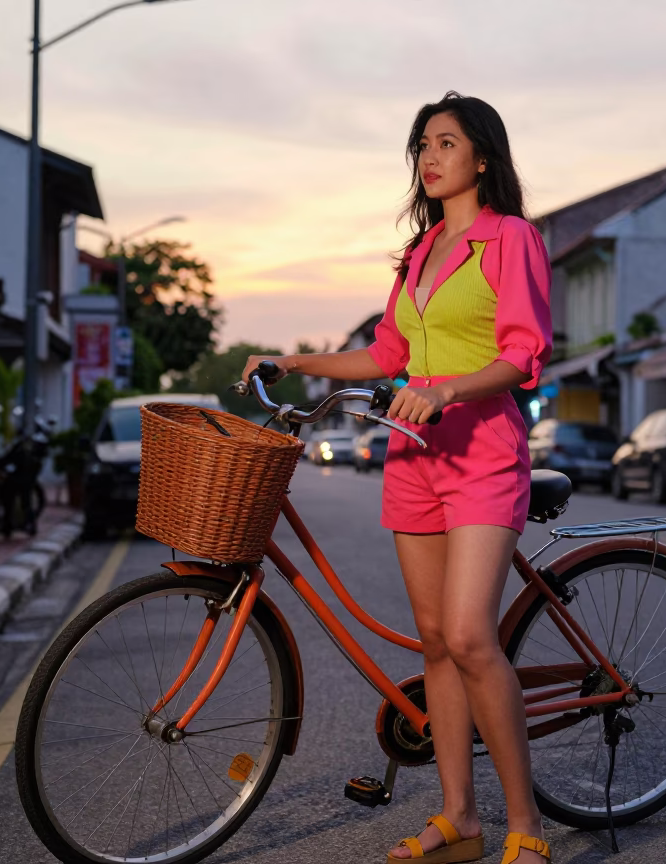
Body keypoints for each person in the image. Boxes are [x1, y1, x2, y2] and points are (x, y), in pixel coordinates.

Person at [244, 91, 552, 864]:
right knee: (437, 645)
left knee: (472, 636)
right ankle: (461, 819)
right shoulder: (421, 252)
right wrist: (295, 361)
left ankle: (528, 827)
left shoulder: (510, 238)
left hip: (482, 453)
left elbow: (522, 354)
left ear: (482, 156)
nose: (430, 157)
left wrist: (448, 389)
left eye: (446, 142)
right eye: (422, 145)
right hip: (412, 457)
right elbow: (386, 354)